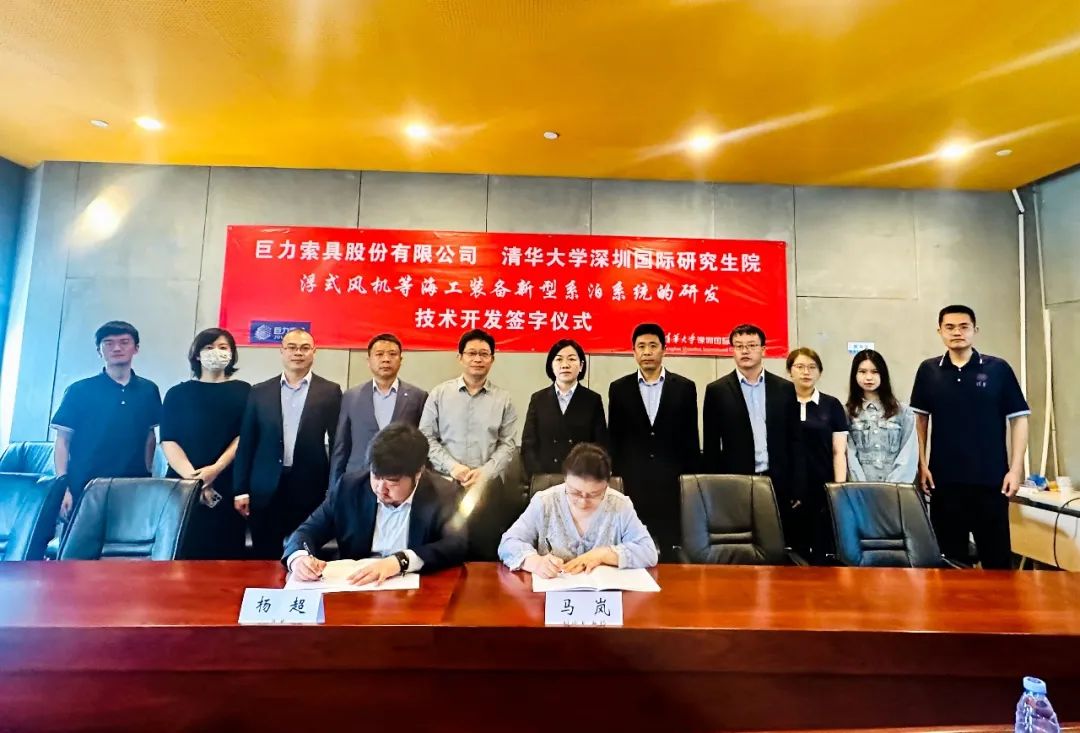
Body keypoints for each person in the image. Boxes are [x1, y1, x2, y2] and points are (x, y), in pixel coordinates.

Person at [910, 305, 1030, 569]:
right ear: (940, 331)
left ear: (975, 330)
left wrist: (1016, 469)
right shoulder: (929, 370)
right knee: (950, 561)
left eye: (964, 327)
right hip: (944, 482)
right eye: (950, 327)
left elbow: (1019, 418)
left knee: (997, 560)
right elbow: (920, 420)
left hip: (992, 481)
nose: (957, 332)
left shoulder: (998, 369)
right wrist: (921, 464)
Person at [284, 423, 467, 585]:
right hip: (356, 587)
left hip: (417, 589)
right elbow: (307, 531)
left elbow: (456, 545)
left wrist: (400, 561)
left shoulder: (444, 494)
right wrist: (299, 558)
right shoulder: (349, 488)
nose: (381, 489)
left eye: (392, 481)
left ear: (418, 473)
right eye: (376, 476)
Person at [233, 328, 343, 560]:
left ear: (314, 352)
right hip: (264, 487)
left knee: (304, 553)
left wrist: (333, 487)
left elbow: (337, 444)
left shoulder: (329, 391)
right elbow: (247, 443)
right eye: (292, 347)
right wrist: (240, 489)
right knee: (265, 554)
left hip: (309, 486)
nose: (298, 353)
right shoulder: (260, 391)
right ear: (282, 351)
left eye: (304, 348)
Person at [607, 323, 699, 560]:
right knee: (631, 548)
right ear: (634, 352)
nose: (647, 352)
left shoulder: (685, 387)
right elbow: (614, 438)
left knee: (670, 549)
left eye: (652, 346)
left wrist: (689, 480)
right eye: (641, 346)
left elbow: (691, 438)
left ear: (664, 350)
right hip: (632, 482)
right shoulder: (619, 388)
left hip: (672, 481)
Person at [51, 320, 162, 517]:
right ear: (99, 351)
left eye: (124, 342)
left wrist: (147, 475)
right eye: (108, 343)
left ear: (136, 348)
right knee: (81, 537)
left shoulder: (149, 390)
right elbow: (62, 441)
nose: (117, 348)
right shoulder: (79, 390)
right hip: (84, 485)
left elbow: (150, 436)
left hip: (132, 485)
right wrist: (62, 487)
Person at [499, 443, 657, 576]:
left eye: (594, 495)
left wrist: (603, 554)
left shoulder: (620, 505)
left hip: (605, 596)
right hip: (553, 595)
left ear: (607, 484)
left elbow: (648, 551)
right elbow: (508, 543)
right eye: (575, 492)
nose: (582, 502)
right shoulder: (544, 502)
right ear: (565, 478)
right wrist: (535, 562)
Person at [160, 328, 250, 559]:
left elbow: (243, 436)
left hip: (227, 482)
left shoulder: (245, 391)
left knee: (226, 554)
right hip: (182, 483)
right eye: (209, 347)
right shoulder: (177, 394)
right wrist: (195, 480)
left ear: (232, 354)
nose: (216, 352)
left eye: (223, 347)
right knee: (180, 552)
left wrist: (215, 470)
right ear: (197, 355)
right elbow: (169, 440)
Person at [702, 324, 803, 524]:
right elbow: (711, 445)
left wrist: (798, 486)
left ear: (763, 349)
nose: (745, 351)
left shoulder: (784, 388)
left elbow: (795, 440)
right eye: (739, 346)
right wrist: (714, 487)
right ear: (732, 351)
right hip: (735, 482)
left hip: (778, 481)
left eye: (751, 345)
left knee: (777, 538)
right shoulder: (717, 390)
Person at [419, 329, 517, 491]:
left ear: (492, 359)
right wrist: (452, 467)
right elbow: (425, 437)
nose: (477, 359)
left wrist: (485, 472)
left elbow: (508, 444)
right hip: (444, 482)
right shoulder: (439, 394)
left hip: (487, 485)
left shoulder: (503, 399)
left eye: (484, 354)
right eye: (471, 353)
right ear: (460, 358)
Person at [329, 333, 427, 489]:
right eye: (379, 354)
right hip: (358, 479)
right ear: (369, 361)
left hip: (399, 482)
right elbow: (341, 446)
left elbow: (422, 445)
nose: (386, 359)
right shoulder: (351, 396)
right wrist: (334, 488)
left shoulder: (418, 397)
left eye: (392, 354)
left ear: (401, 360)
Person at [787, 347, 848, 562]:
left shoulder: (832, 405)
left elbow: (839, 451)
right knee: (792, 549)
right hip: (790, 487)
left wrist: (838, 488)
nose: (806, 372)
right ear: (790, 371)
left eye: (812, 367)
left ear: (820, 372)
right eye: (800, 366)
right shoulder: (781, 402)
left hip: (823, 484)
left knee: (823, 547)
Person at [521, 339, 609, 478]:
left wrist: (589, 476)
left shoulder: (592, 400)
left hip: (581, 478)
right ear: (551, 365)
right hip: (544, 478)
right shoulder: (538, 399)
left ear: (581, 366)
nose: (565, 365)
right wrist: (537, 476)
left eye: (572, 359)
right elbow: (528, 444)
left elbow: (599, 445)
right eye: (559, 359)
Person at [845, 349, 918, 484]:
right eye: (862, 372)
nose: (868, 377)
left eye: (875, 372)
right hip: (859, 488)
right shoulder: (847, 413)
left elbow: (908, 454)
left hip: (896, 488)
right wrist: (861, 487)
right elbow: (849, 456)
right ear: (854, 375)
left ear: (883, 374)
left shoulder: (903, 412)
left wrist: (892, 487)